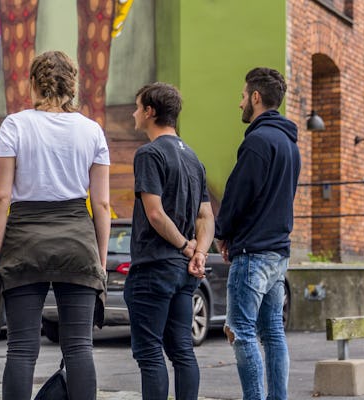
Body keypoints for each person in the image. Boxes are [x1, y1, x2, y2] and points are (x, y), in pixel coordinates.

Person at [0, 50, 110, 400]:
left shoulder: (15, 125)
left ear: (33, 85)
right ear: (73, 85)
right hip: (77, 239)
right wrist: (99, 260)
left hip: (25, 238)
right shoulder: (91, 130)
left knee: (22, 348)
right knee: (79, 347)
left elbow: (0, 197)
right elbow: (101, 203)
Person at [125, 83, 214, 400]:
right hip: (184, 273)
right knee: (182, 351)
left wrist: (185, 246)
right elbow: (206, 216)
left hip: (153, 267)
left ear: (150, 111)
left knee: (149, 353)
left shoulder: (149, 153)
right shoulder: (193, 158)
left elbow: (155, 214)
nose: (135, 113)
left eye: (138, 107)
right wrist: (200, 252)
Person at [216, 67, 300, 400]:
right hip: (278, 254)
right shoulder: (290, 145)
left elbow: (239, 195)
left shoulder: (258, 142)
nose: (240, 105)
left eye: (242, 96)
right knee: (274, 333)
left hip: (252, 255)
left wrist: (223, 232)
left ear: (255, 97)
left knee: (241, 331)